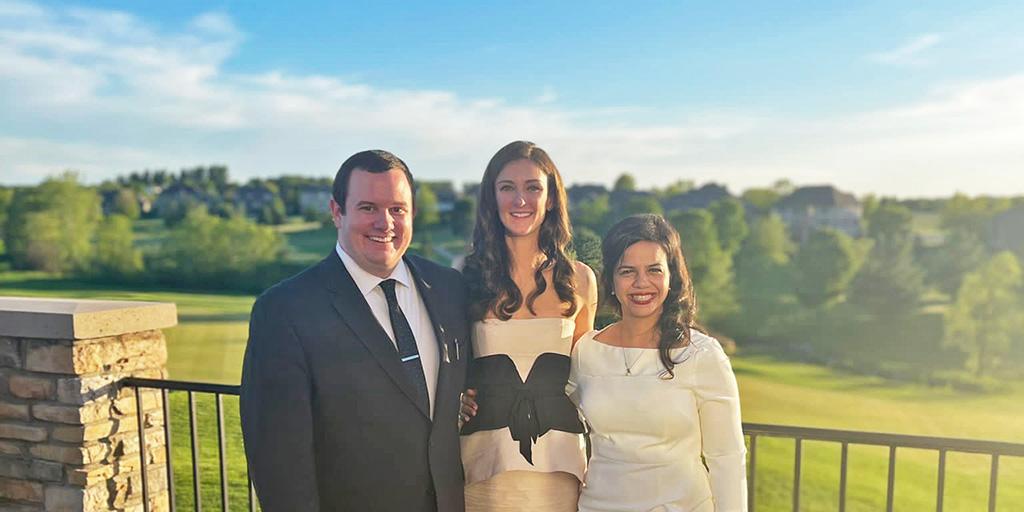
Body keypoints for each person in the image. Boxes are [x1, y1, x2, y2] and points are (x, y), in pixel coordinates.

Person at [239, 150, 470, 511]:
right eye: (368, 208)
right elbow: (278, 463)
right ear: (336, 212)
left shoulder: (448, 289)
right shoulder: (285, 311)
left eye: (397, 209)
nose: (385, 222)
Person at [571, 214, 747, 511]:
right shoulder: (586, 351)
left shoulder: (702, 355)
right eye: (627, 271)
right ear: (611, 280)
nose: (642, 283)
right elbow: (547, 407)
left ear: (671, 277)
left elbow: (727, 458)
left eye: (654, 270)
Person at [459, 141, 597, 511]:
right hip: (484, 466)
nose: (520, 199)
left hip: (562, 468)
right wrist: (453, 398)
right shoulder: (464, 275)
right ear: (492, 197)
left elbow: (588, 378)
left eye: (533, 187)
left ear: (550, 198)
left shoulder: (581, 280)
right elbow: (445, 364)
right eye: (508, 187)